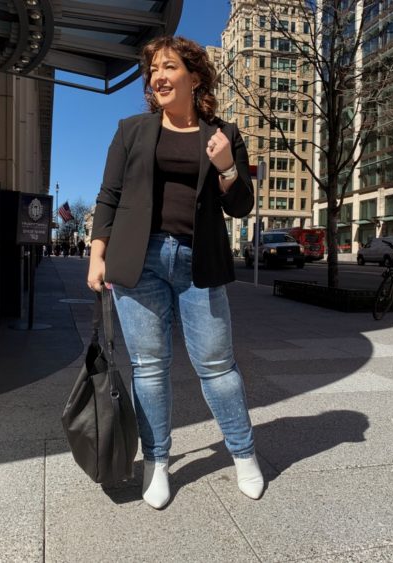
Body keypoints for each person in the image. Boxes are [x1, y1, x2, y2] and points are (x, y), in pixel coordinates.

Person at [87, 35, 263, 509]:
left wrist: (227, 166)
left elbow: (242, 204)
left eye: (168, 67)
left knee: (217, 366)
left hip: (198, 261)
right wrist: (97, 254)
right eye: (153, 70)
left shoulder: (222, 132)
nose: (157, 76)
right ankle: (157, 461)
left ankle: (243, 453)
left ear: (195, 76)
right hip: (137, 261)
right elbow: (109, 196)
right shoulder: (132, 130)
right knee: (149, 368)